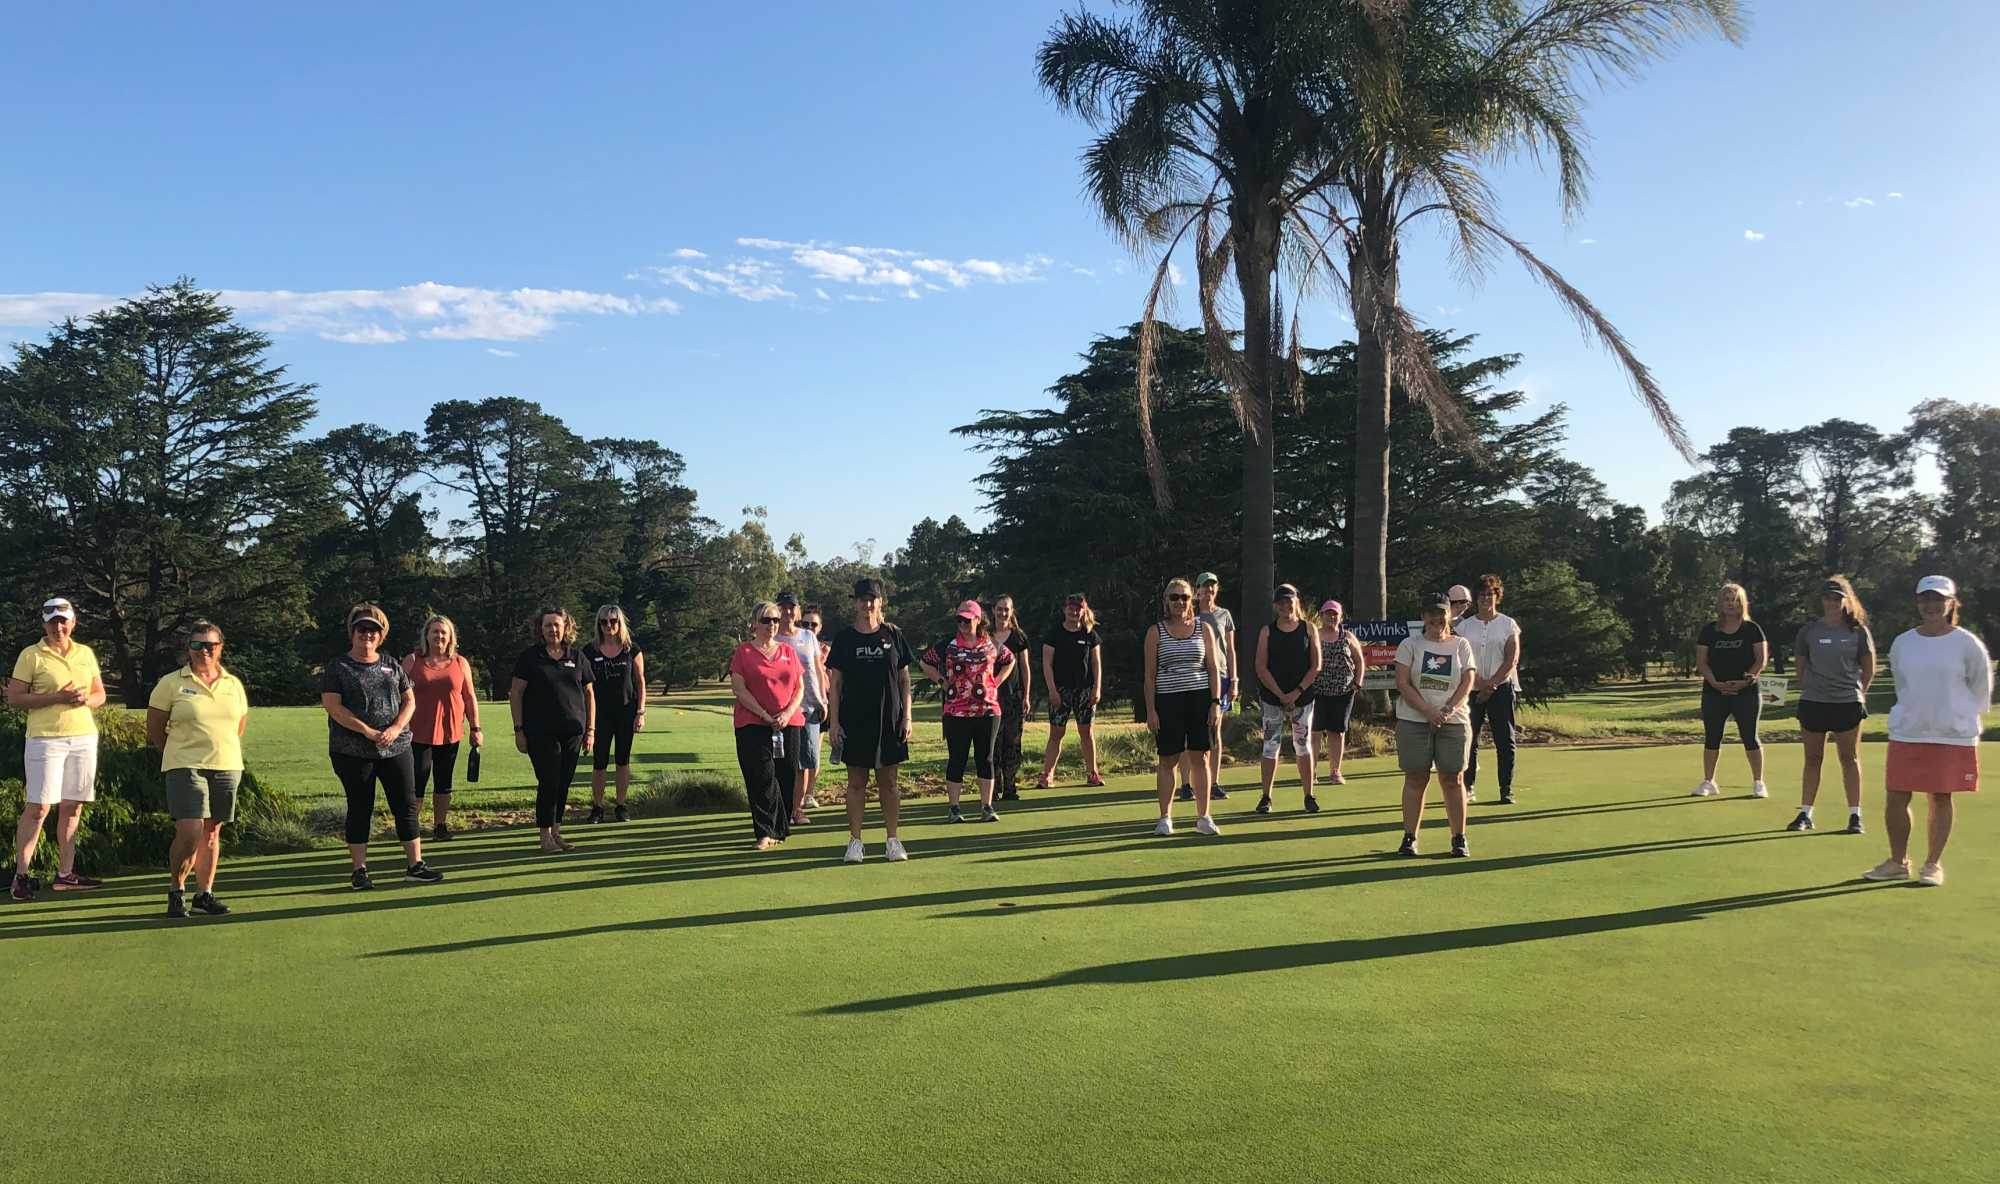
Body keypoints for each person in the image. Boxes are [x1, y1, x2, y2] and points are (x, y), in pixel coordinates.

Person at [1863, 576, 1992, 888]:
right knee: (1896, 796)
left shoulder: (1967, 643)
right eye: (1925, 599)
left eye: (1938, 599)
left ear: (1951, 603)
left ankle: (1933, 864)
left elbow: (1980, 688)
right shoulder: (1903, 642)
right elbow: (1902, 685)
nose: (1931, 605)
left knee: (1941, 797)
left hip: (1950, 732)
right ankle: (1897, 861)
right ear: (1918, 602)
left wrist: (1958, 717)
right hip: (1909, 730)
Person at [320, 603, 443, 889]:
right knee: (360, 806)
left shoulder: (391, 664)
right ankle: (359, 871)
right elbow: (334, 707)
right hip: (352, 750)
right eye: (362, 629)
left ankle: (415, 865)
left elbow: (409, 700)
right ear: (353, 633)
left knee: (406, 805)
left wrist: (396, 728)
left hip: (396, 747)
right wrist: (369, 732)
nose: (367, 635)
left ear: (381, 635)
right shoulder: (339, 667)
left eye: (373, 630)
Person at [8, 597, 108, 902]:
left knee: (73, 806)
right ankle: (21, 877)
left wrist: (84, 701)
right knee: (38, 808)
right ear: (44, 624)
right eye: (52, 621)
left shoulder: (85, 653)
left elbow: (99, 694)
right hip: (44, 739)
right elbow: (15, 698)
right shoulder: (31, 655)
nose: (58, 626)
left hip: (82, 737)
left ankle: (66, 875)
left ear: (73, 622)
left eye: (63, 620)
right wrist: (57, 697)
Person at [146, 621, 248, 917]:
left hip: (226, 764)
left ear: (220, 648)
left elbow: (239, 726)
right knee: (190, 831)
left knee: (212, 832)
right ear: (188, 649)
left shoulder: (233, 684)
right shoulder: (171, 683)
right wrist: (176, 752)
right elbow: (155, 727)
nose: (204, 650)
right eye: (197, 645)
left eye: (210, 645)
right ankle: (176, 890)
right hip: (184, 764)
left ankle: (204, 893)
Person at [826, 578, 917, 863]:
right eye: (862, 599)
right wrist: (835, 723)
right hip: (854, 721)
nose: (867, 605)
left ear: (881, 602)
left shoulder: (894, 635)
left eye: (872, 599)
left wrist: (907, 716)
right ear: (855, 602)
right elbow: (836, 685)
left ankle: (893, 840)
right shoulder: (844, 638)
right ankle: (855, 842)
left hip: (889, 721)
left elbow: (904, 680)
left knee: (889, 783)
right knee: (856, 783)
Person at [1787, 577, 1875, 835]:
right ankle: (1805, 813)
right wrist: (1815, 689)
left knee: (1849, 758)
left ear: (1846, 600)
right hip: (1814, 701)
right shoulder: (1809, 631)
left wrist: (1856, 692)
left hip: (1847, 702)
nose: (1833, 602)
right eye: (1828, 598)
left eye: (1838, 598)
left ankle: (1855, 816)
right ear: (1822, 600)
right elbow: (1801, 669)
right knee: (1813, 758)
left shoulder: (1858, 631)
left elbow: (1868, 670)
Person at [1393, 592, 1478, 857]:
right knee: (1416, 777)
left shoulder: (1460, 645)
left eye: (1441, 612)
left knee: (1453, 778)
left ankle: (1458, 838)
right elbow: (1403, 683)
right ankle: (1410, 837)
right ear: (1423, 616)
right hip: (1414, 720)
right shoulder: (1410, 645)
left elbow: (1468, 681)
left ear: (1449, 615)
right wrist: (1429, 711)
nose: (1436, 618)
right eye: (1431, 613)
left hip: (1454, 721)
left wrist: (1447, 709)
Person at [510, 606, 596, 854]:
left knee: (563, 782)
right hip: (540, 731)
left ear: (566, 627)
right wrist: (518, 729)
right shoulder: (530, 657)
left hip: (573, 730)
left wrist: (591, 730)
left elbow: (589, 694)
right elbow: (516, 693)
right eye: (547, 625)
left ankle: (557, 832)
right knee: (548, 781)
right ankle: (544, 835)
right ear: (541, 629)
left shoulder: (578, 657)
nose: (552, 629)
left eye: (557, 625)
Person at [920, 601, 1015, 823]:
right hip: (956, 711)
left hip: (988, 710)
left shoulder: (991, 643)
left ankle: (987, 806)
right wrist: (942, 681)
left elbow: (1009, 660)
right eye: (959, 620)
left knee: (986, 758)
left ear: (978, 619)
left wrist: (996, 681)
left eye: (967, 619)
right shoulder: (949, 645)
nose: (962, 624)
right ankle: (954, 808)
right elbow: (925, 662)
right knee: (957, 759)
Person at [1145, 578, 1223, 836]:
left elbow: (1212, 668)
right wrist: (1151, 710)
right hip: (1168, 701)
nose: (1180, 602)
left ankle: (1204, 817)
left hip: (1200, 698)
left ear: (1193, 600)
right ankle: (1165, 817)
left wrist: (1215, 703)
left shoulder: (1204, 628)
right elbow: (1149, 676)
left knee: (1201, 757)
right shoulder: (1155, 631)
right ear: (1166, 601)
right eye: (1175, 597)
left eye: (1185, 597)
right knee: (1168, 759)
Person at [730, 601, 804, 851]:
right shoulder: (744, 653)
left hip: (788, 724)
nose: (772, 625)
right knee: (761, 778)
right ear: (754, 623)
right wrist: (764, 714)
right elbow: (739, 689)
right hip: (753, 723)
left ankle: (779, 830)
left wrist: (787, 713)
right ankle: (764, 831)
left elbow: (799, 687)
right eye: (766, 620)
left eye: (775, 620)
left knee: (785, 776)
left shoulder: (788, 651)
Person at [404, 615, 481, 842]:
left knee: (443, 783)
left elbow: (469, 697)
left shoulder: (460, 663)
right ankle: (411, 830)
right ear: (426, 635)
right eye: (435, 632)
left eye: (443, 633)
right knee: (416, 783)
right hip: (417, 734)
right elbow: (395, 695)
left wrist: (476, 727)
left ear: (450, 637)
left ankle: (440, 825)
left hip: (450, 733)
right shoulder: (412, 660)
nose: (439, 636)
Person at [1691, 582, 1769, 799]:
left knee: (1750, 736)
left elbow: (1760, 660)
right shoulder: (1709, 630)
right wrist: (1715, 682)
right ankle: (1709, 782)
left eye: (1735, 600)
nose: (1730, 604)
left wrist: (1745, 681)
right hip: (1714, 691)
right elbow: (1702, 662)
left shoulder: (1752, 629)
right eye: (1726, 599)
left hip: (1746, 692)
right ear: (1720, 603)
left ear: (1742, 603)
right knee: (1712, 737)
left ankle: (1758, 783)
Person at [1253, 584, 1321, 814]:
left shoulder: (1309, 629)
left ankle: (1309, 795)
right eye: (1280, 602)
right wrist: (1281, 695)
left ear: (1296, 601)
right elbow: (1261, 667)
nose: (1284, 606)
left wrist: (1296, 692)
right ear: (1275, 605)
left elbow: (1316, 665)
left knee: (1302, 745)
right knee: (1270, 746)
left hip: (1302, 697)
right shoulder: (1267, 631)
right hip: (1273, 697)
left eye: (1288, 601)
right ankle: (1266, 796)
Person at [1456, 574, 1524, 805]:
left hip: (1502, 689)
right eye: (1482, 594)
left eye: (1490, 594)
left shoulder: (1508, 624)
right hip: (1471, 690)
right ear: (1475, 598)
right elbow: (1460, 660)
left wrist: (1492, 684)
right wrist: (1478, 684)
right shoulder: (1464, 627)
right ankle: (1468, 787)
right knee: (1469, 740)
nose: (1486, 598)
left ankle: (1506, 789)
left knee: (1505, 740)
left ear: (1497, 596)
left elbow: (1511, 658)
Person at [583, 604, 646, 824]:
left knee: (622, 760)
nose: (608, 626)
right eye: (603, 622)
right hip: (600, 714)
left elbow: (640, 682)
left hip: (626, 711)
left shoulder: (632, 649)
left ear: (620, 623)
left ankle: (621, 805)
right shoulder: (589, 651)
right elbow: (583, 686)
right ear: (598, 624)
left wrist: (641, 711)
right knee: (599, 762)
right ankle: (598, 807)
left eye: (613, 621)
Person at [1038, 593, 1103, 788]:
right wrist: (1052, 690)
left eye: (1078, 608)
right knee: (1057, 733)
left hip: (1084, 690)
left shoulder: (1090, 634)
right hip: (1060, 690)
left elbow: (1096, 663)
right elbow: (1047, 664)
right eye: (1071, 608)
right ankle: (1047, 775)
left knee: (1086, 732)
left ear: (1083, 610)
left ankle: (1093, 773)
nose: (1074, 611)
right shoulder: (1054, 633)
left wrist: (1096, 688)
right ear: (1064, 609)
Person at [1187, 572, 1238, 801]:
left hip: (1222, 676)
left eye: (1212, 587)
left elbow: (1230, 649)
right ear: (1196, 591)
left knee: (1215, 729)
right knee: (1191, 730)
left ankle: (1214, 782)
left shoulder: (1224, 615)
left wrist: (1234, 681)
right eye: (1205, 587)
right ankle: (1187, 784)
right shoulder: (1191, 616)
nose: (1209, 591)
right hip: (1197, 677)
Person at [1310, 599, 1366, 786]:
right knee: (1315, 731)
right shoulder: (1315, 636)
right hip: (1317, 692)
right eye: (1328, 613)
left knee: (1337, 732)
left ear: (1340, 616)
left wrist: (1357, 684)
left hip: (1343, 693)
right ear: (1322, 615)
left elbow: (1359, 661)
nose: (1331, 617)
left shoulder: (1348, 636)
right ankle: (1312, 772)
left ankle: (1335, 771)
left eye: (1335, 614)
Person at [785, 602, 832, 817]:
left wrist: (824, 699)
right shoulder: (780, 638)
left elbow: (823, 674)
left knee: (811, 755)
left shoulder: (820, 646)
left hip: (815, 705)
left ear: (820, 626)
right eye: (806, 623)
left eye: (814, 624)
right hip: (789, 707)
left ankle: (803, 800)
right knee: (792, 760)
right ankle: (791, 805)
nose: (809, 627)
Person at [990, 596, 1033, 802]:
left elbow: (1024, 668)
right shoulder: (985, 636)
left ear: (1012, 611)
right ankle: (993, 787)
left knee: (1013, 743)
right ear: (993, 611)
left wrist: (1026, 696)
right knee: (992, 744)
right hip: (990, 699)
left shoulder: (1019, 637)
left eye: (1006, 609)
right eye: (999, 609)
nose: (1003, 613)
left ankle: (1010, 786)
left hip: (1014, 698)